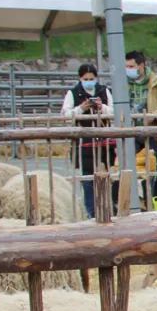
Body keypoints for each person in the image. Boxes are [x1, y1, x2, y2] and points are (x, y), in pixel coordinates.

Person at [62, 63, 115, 218]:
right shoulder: (73, 93)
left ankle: (109, 208)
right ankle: (92, 211)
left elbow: (114, 111)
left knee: (107, 176)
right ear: (80, 78)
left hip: (104, 142)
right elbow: (65, 116)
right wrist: (81, 108)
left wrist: (101, 107)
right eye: (86, 79)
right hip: (84, 143)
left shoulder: (104, 91)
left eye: (91, 79)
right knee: (88, 178)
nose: (89, 81)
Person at [125, 51, 157, 201]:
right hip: (131, 133)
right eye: (126, 66)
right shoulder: (124, 83)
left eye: (131, 66)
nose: (128, 69)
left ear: (141, 65)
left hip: (153, 132)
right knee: (130, 167)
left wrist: (154, 114)